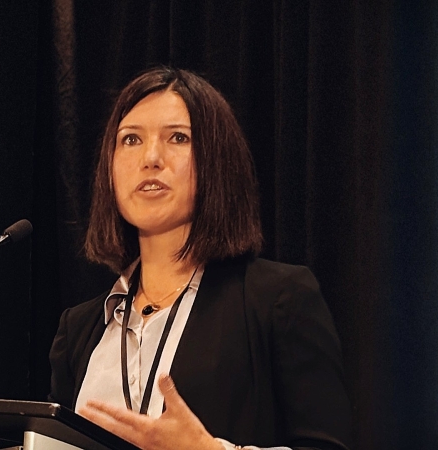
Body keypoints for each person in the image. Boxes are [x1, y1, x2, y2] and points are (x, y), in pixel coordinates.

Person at [48, 66, 352, 450]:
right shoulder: (78, 329)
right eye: (130, 140)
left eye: (177, 137)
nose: (151, 157)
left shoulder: (277, 298)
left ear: (217, 162)